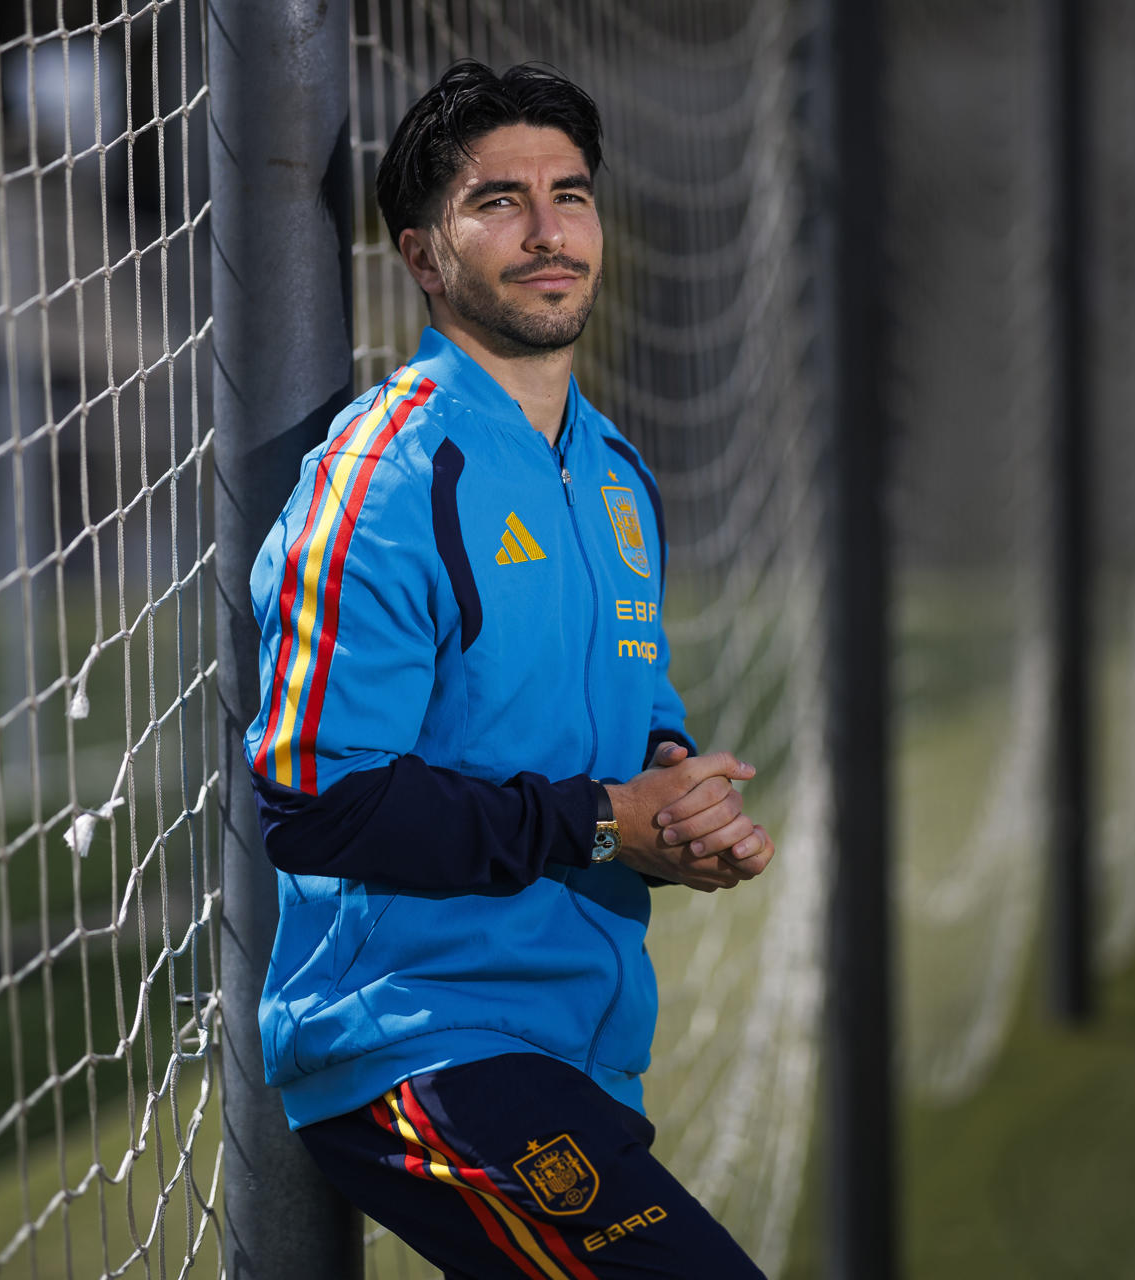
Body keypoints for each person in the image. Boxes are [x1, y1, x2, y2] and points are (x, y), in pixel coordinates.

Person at [243, 60, 772, 1278]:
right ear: (425, 257)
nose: (548, 230)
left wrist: (673, 787)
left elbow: (636, 701)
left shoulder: (614, 473)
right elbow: (318, 801)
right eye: (499, 203)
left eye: (570, 194)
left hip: (579, 1037)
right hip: (419, 1043)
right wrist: (601, 823)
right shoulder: (384, 477)